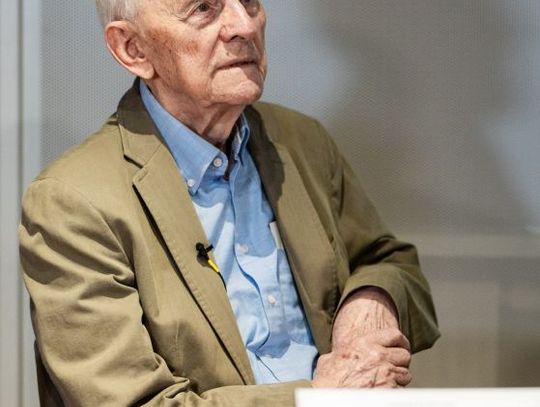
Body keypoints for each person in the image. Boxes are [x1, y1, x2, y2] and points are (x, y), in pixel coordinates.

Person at [19, 1, 439, 406]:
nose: (245, 25)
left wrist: (371, 302)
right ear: (133, 49)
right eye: (203, 7)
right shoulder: (73, 202)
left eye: (250, 1)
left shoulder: (302, 141)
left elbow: (391, 262)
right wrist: (320, 398)